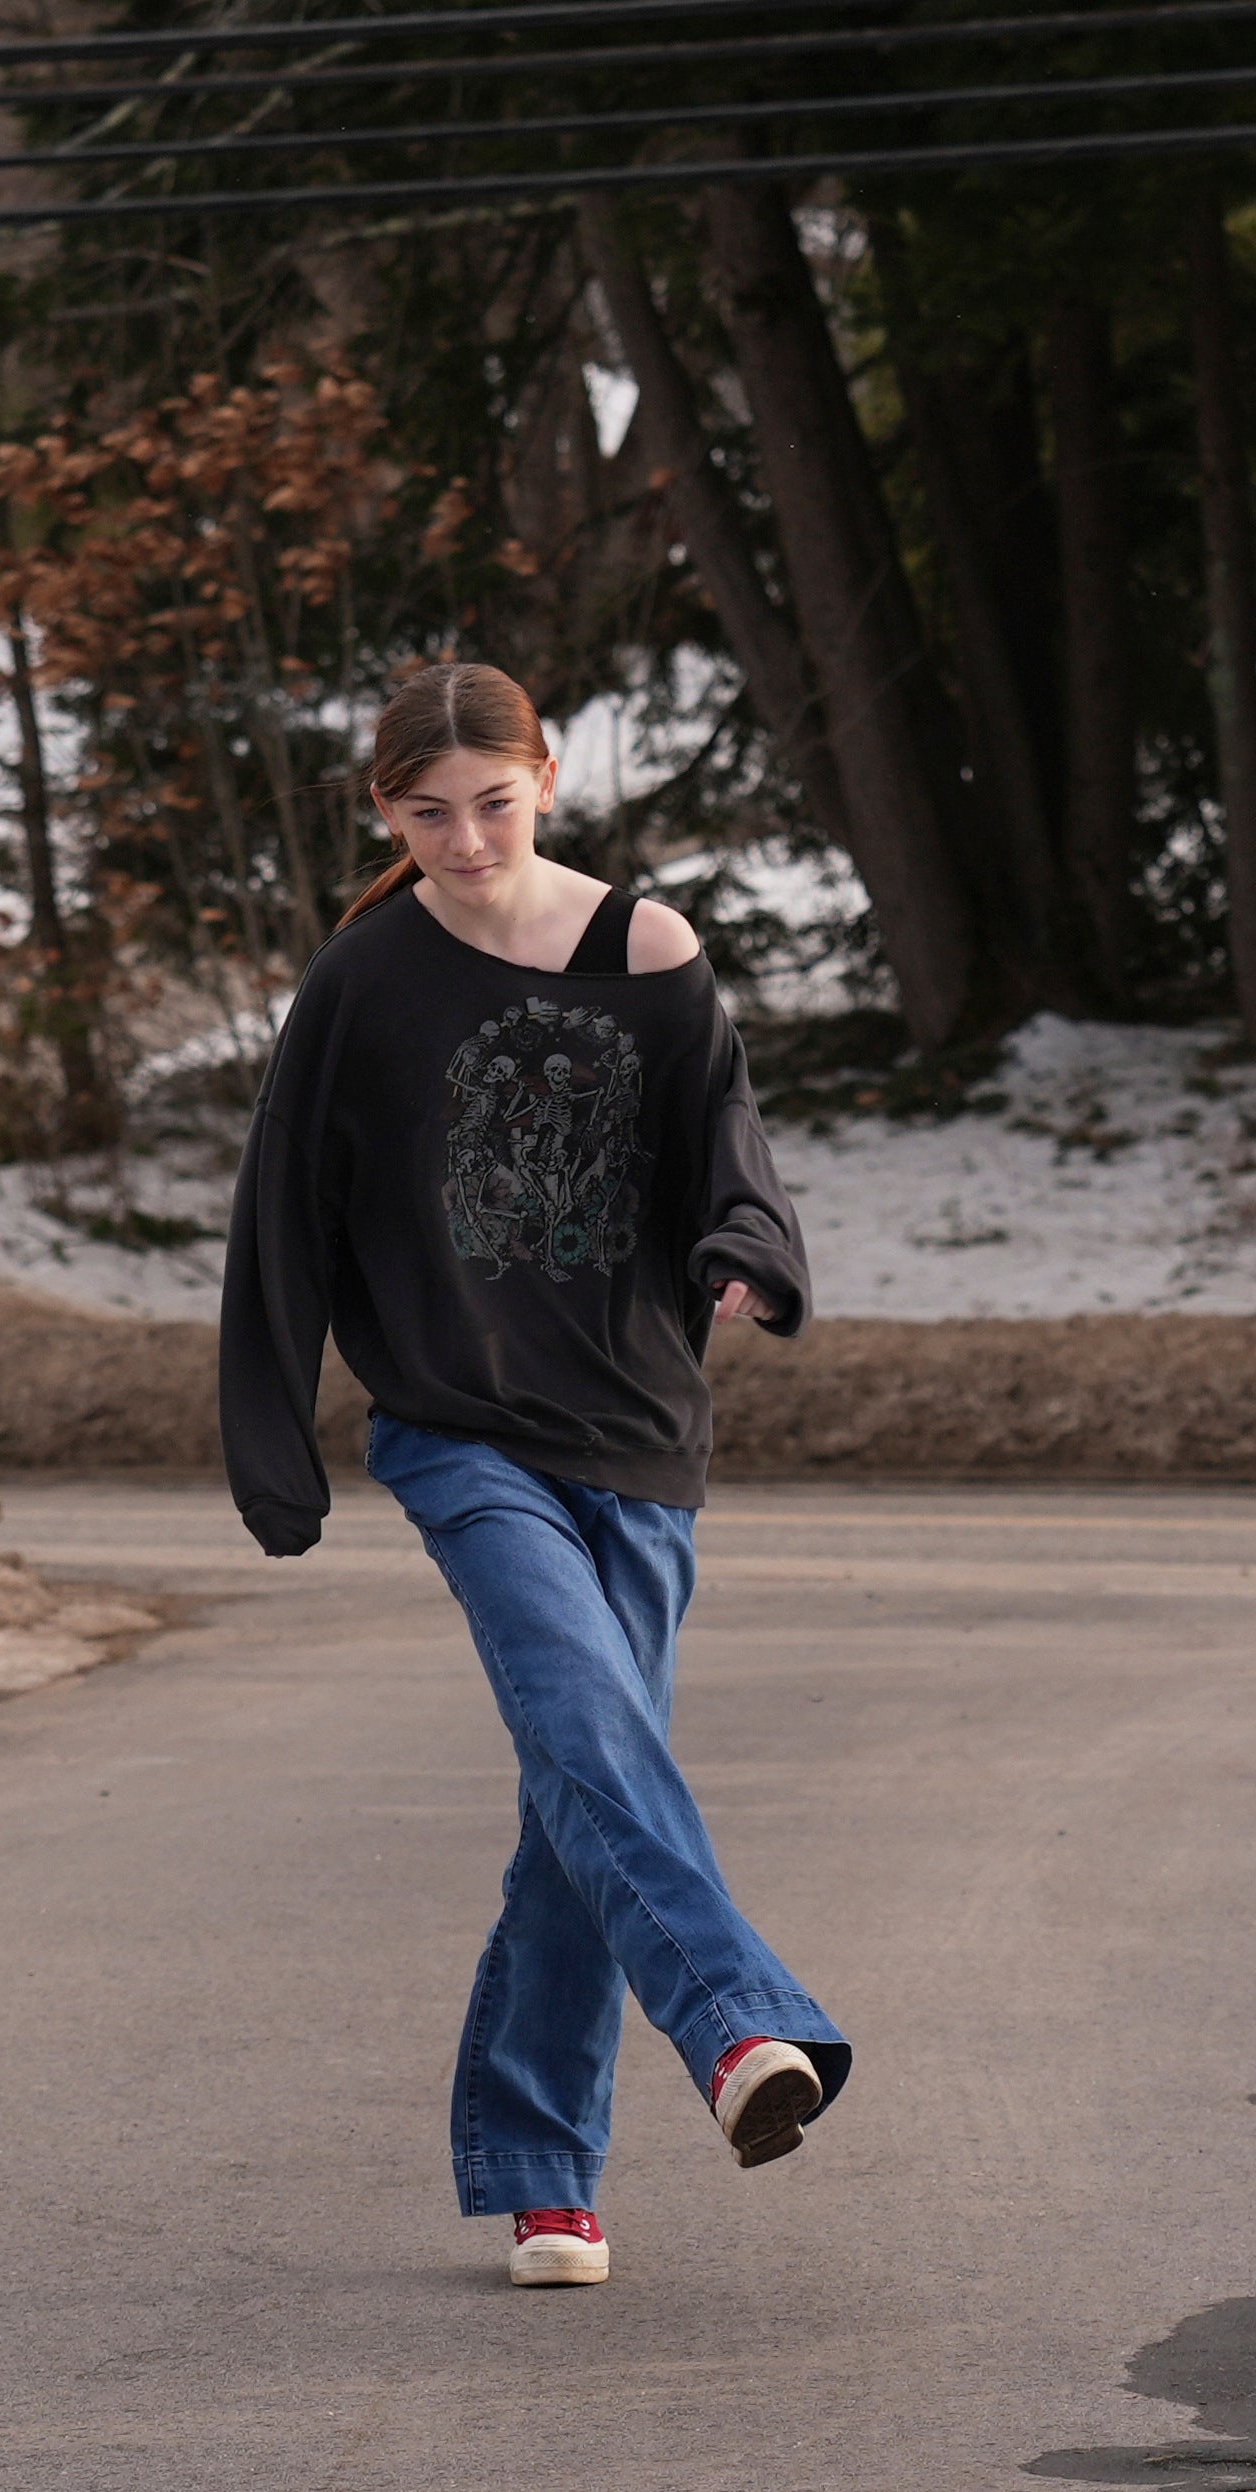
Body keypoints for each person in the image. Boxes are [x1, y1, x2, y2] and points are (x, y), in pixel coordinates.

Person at [223, 658, 845, 2290]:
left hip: (639, 1431)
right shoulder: (361, 982)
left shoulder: (651, 953)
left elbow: (736, 1157)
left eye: (491, 803)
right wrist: (273, 1437)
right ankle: (737, 2030)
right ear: (386, 814)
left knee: (585, 1786)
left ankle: (542, 2170)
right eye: (426, 814)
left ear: (548, 779)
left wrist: (743, 1258)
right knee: (583, 1720)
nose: (463, 837)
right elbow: (279, 1215)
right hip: (459, 1423)